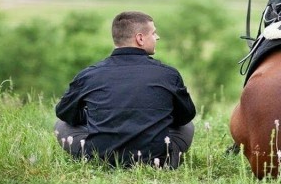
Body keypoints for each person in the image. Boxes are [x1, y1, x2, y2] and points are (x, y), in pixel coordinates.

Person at [54, 10, 196, 169]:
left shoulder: (88, 75)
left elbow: (64, 113)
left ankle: (94, 160)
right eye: (154, 33)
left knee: (62, 125)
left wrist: (95, 116)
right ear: (140, 38)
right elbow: (185, 116)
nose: (157, 37)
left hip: (100, 158)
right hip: (157, 160)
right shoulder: (169, 74)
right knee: (187, 126)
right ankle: (166, 159)